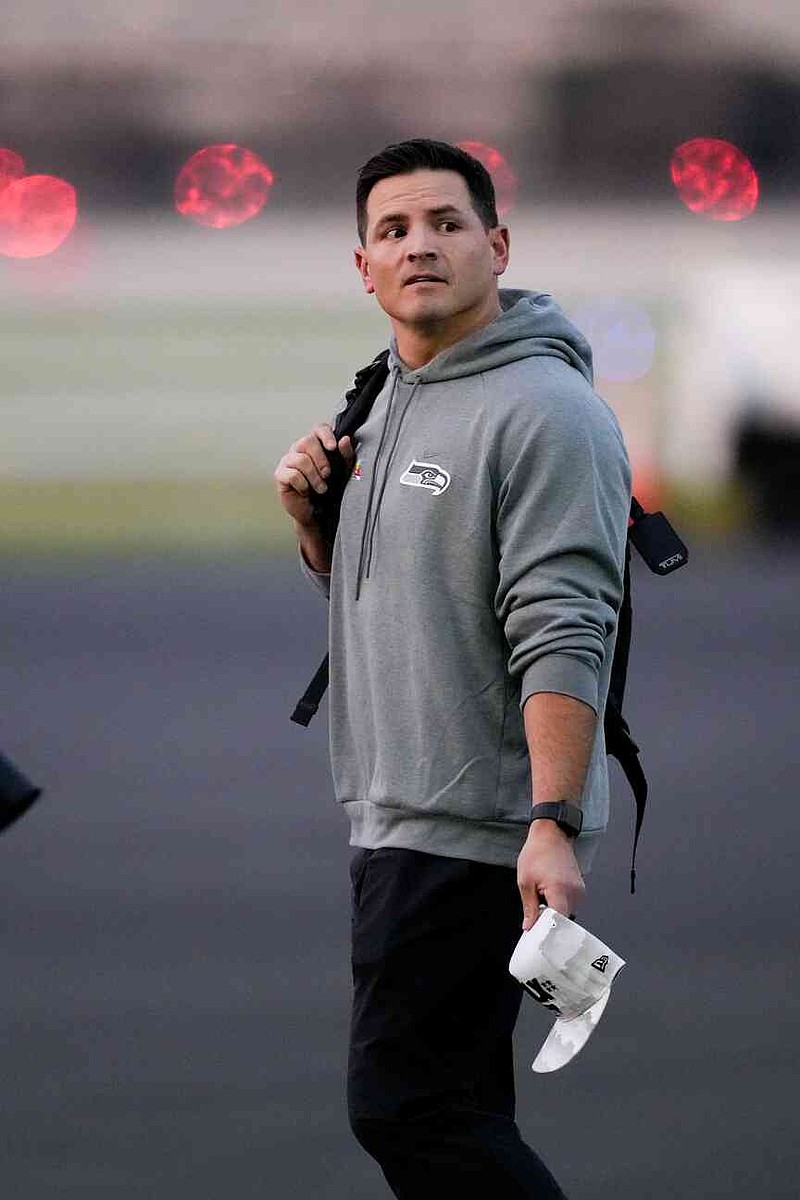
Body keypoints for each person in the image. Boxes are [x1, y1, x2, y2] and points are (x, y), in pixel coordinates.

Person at [273, 139, 631, 1198]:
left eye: (445, 223)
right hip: (398, 817)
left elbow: (565, 624)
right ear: (363, 266)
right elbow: (400, 601)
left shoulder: (542, 411)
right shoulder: (386, 395)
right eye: (393, 230)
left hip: (474, 828)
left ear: (496, 245)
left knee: (406, 1107)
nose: (419, 245)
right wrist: (313, 530)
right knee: (453, 1108)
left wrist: (551, 820)